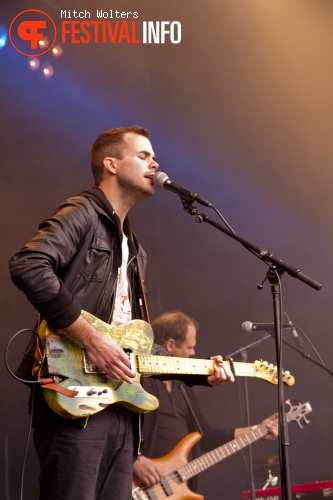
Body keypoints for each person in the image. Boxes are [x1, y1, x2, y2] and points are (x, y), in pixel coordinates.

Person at [9, 126, 235, 500]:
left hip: (122, 411)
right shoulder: (82, 211)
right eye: (144, 156)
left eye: (154, 157)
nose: (155, 162)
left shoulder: (135, 249)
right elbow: (28, 265)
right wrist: (92, 340)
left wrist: (200, 373)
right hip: (75, 398)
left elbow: (133, 343)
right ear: (111, 164)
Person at [133, 310, 279, 493]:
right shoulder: (141, 382)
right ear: (170, 345)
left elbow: (205, 437)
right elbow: (115, 428)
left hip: (172, 491)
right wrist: (133, 459)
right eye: (189, 347)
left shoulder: (184, 389)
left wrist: (258, 429)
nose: (194, 352)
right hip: (134, 485)